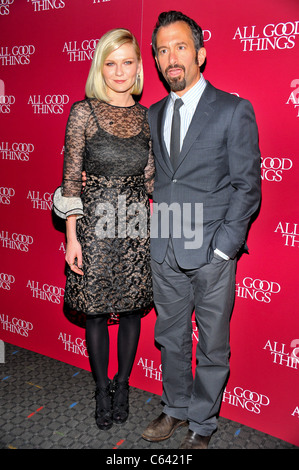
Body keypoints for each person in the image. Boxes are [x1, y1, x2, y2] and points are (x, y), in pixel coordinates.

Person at [141, 11, 261, 449]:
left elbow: (248, 187)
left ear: (200, 54)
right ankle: (174, 408)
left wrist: (225, 249)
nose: (171, 57)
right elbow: (155, 179)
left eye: (180, 47)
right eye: (162, 50)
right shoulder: (150, 114)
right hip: (165, 250)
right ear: (155, 60)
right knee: (170, 339)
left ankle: (203, 423)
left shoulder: (232, 109)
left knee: (212, 346)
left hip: (212, 252)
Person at [53, 28, 155, 431]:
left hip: (135, 226)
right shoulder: (83, 112)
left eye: (127, 61)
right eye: (110, 62)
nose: (119, 70)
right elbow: (70, 181)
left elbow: (151, 181)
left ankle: (123, 385)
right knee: (95, 313)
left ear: (138, 67)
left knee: (131, 311)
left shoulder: (149, 118)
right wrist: (72, 238)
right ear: (100, 67)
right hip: (93, 227)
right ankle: (101, 388)